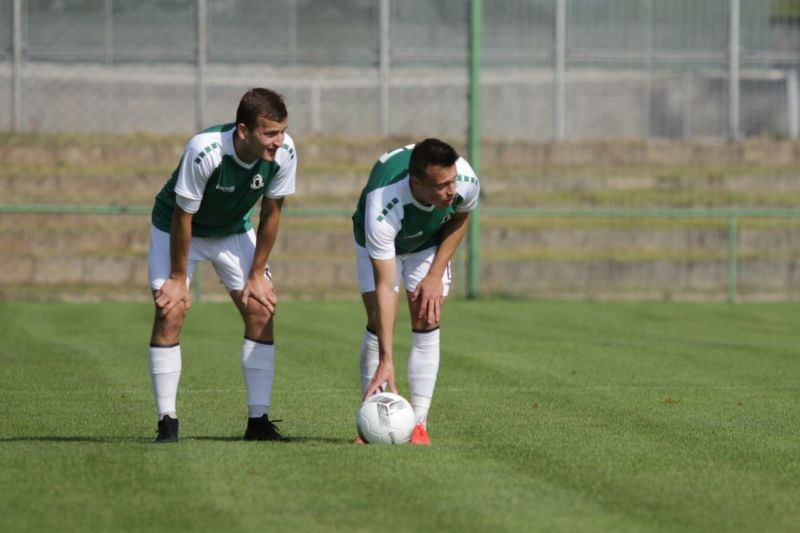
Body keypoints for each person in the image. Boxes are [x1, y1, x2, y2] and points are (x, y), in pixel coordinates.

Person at [147, 88, 296, 443]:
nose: (279, 140)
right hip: (179, 228)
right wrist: (178, 279)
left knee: (261, 308)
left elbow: (272, 212)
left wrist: (258, 275)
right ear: (243, 131)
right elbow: (184, 215)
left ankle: (258, 423)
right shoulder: (205, 149)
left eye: (282, 131)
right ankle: (167, 423)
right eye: (270, 133)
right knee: (172, 310)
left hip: (232, 230)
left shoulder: (286, 152)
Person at [351, 138, 480, 445]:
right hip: (382, 241)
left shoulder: (464, 180)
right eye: (441, 185)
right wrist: (387, 358)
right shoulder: (382, 204)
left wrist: (435, 274)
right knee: (378, 317)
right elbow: (386, 284)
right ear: (416, 184)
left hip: (429, 241)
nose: (451, 190)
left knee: (426, 315)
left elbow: (461, 216)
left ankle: (418, 425)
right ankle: (371, 423)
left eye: (452, 181)